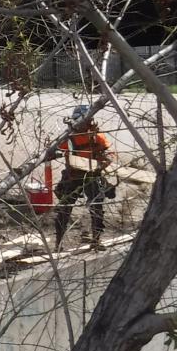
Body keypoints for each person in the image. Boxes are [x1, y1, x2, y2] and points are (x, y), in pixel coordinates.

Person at [53, 104, 114, 249]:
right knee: (64, 208)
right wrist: (55, 153)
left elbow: (109, 153)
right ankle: (58, 244)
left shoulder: (96, 136)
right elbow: (55, 149)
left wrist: (105, 160)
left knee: (97, 206)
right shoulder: (69, 137)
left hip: (93, 174)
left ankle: (96, 240)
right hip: (73, 175)